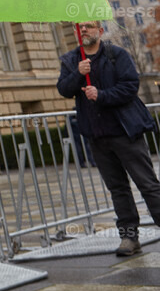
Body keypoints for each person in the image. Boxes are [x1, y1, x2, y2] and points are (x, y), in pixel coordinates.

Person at [58, 20, 160, 256]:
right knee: (118, 189)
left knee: (147, 184)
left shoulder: (116, 54)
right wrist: (78, 73)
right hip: (98, 136)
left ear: (100, 31)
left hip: (125, 133)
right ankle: (129, 238)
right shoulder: (71, 60)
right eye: (79, 27)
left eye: (89, 26)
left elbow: (130, 86)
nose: (84, 30)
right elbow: (63, 89)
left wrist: (101, 95)